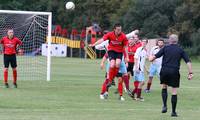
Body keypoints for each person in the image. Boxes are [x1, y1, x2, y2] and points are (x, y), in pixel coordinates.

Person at [149, 34, 193, 117]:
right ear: (177, 41)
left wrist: (150, 58)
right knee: (174, 91)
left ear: (169, 40)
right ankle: (173, 112)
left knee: (164, 87)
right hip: (174, 71)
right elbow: (188, 62)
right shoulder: (180, 50)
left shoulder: (165, 48)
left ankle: (164, 105)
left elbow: (153, 58)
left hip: (164, 70)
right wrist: (190, 73)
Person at [90, 23, 129, 100]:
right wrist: (94, 44)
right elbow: (101, 40)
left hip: (119, 52)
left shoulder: (123, 36)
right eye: (118, 29)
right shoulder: (110, 34)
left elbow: (125, 47)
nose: (119, 31)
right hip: (111, 51)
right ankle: (110, 81)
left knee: (117, 64)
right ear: (114, 29)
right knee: (112, 64)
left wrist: (127, 57)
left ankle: (116, 86)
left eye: (120, 29)